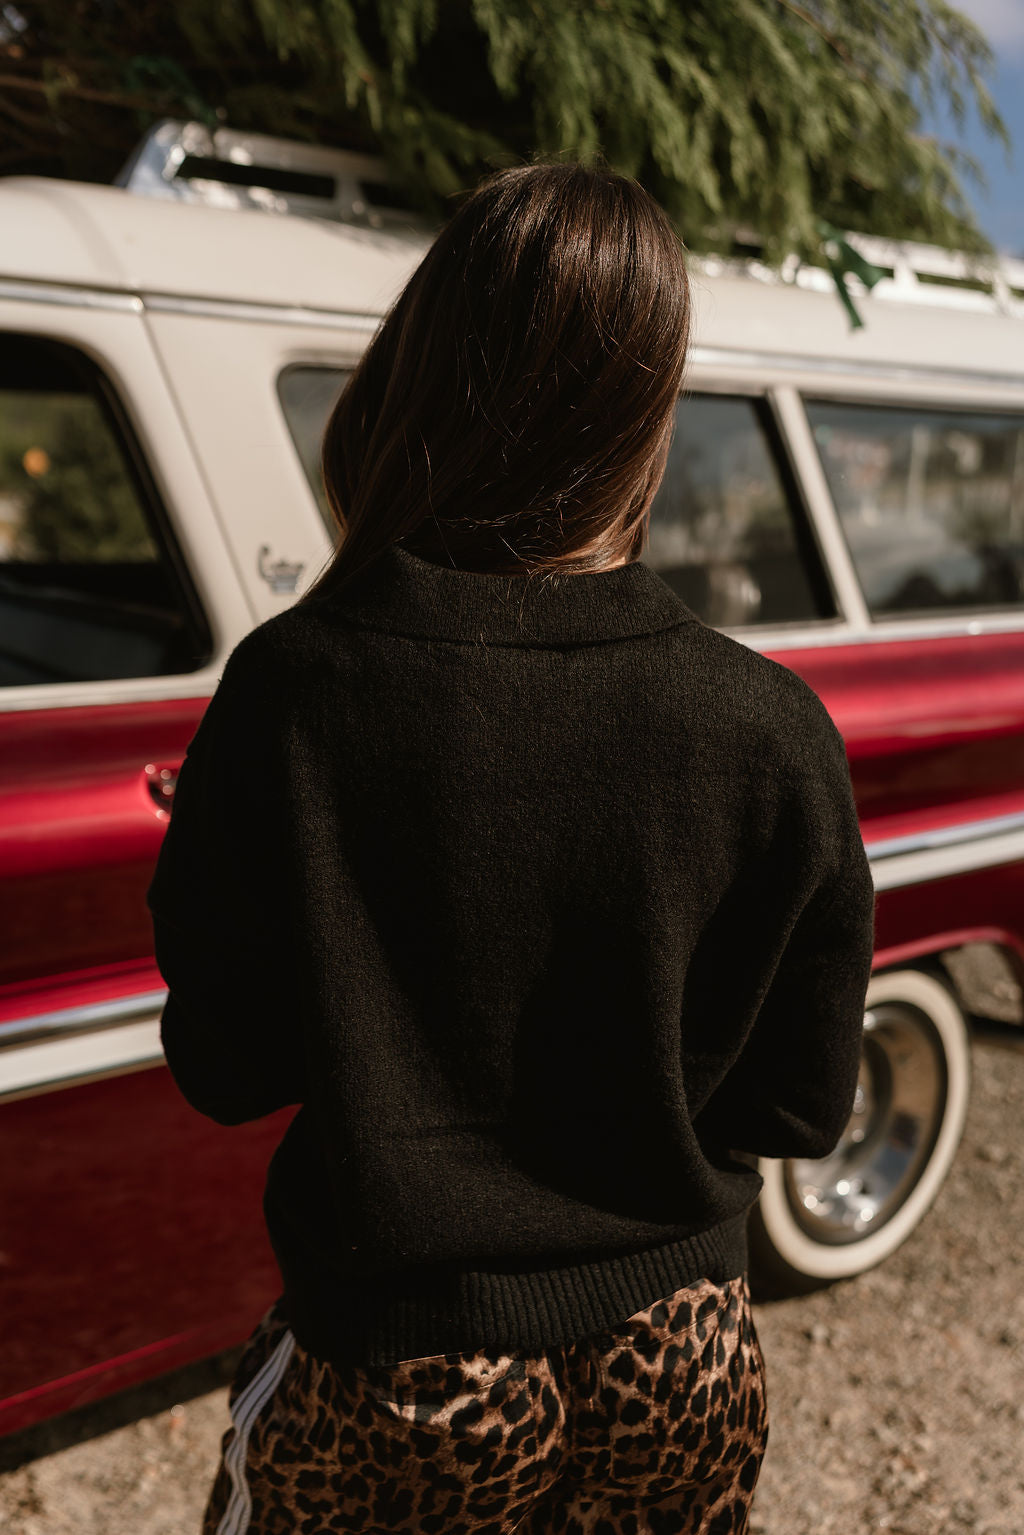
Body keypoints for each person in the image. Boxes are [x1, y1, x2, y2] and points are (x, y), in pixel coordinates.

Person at [147, 161, 876, 1535]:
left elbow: (223, 1070)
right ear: (648, 419)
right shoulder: (770, 726)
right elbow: (798, 1109)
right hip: (686, 1364)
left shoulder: (293, 692)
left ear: (422, 368)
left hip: (403, 1376)